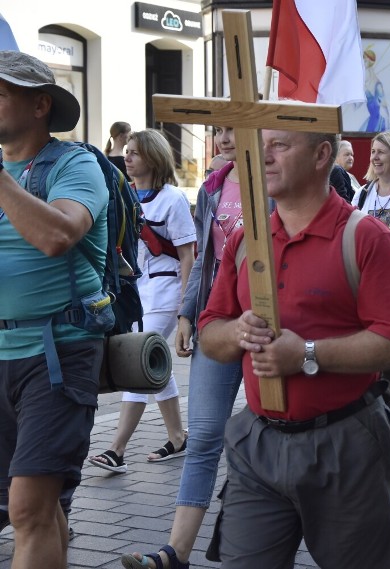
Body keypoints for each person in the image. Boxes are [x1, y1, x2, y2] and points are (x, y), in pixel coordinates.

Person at [197, 129, 390, 568]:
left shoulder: (367, 237)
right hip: (256, 445)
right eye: (259, 143)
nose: (263, 155)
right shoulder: (246, 241)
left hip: (346, 443)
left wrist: (307, 355)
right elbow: (211, 333)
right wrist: (238, 333)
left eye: (279, 145)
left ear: (322, 155)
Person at [0, 49, 108, 568]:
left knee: (27, 507)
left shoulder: (76, 164)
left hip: (57, 353)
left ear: (40, 104)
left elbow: (58, 235)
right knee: (36, 508)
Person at [121, 126, 244, 569]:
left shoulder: (276, 182)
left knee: (274, 431)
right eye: (221, 132)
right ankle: (177, 552)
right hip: (216, 319)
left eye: (235, 130)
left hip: (271, 325)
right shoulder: (212, 186)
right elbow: (205, 259)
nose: (226, 139)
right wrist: (188, 315)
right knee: (205, 436)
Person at [88, 129, 195, 473]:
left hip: (166, 293)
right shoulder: (127, 194)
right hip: (137, 292)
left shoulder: (173, 199)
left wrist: (184, 309)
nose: (127, 157)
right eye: (127, 151)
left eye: (135, 152)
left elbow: (187, 257)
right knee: (153, 365)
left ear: (153, 156)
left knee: (134, 361)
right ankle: (178, 437)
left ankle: (117, 449)